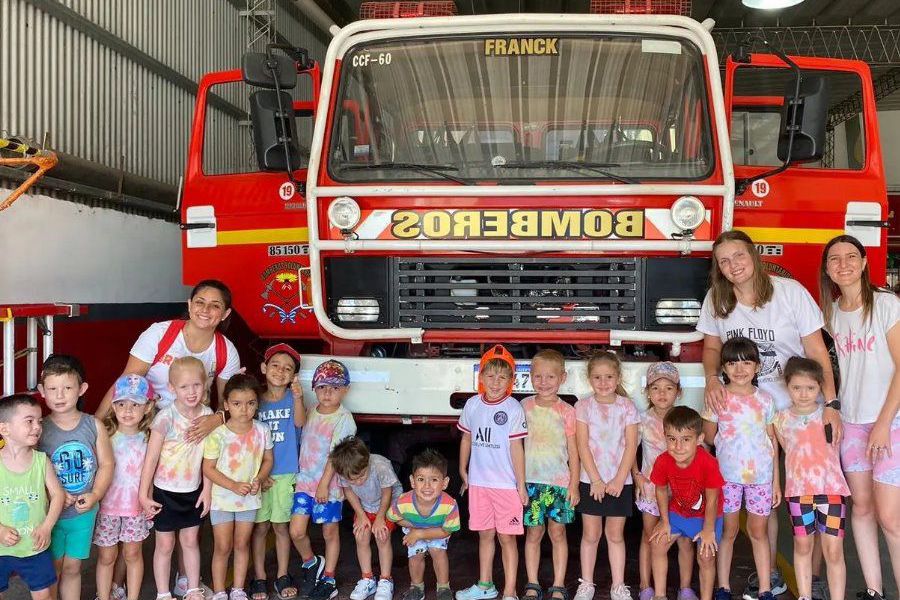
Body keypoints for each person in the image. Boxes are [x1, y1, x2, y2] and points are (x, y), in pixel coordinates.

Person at [697, 230, 839, 600]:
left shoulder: (789, 292)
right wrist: (713, 378)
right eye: (724, 261)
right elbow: (711, 346)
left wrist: (832, 405)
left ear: (755, 256)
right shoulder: (718, 298)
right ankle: (771, 573)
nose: (733, 266)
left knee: (810, 492)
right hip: (750, 421)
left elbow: (816, 351)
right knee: (769, 496)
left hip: (798, 410)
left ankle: (816, 575)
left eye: (739, 256)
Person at [820, 234, 900, 600]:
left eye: (851, 257)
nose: (844, 264)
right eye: (835, 259)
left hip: (890, 421)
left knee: (890, 518)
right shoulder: (832, 314)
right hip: (852, 422)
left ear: (865, 262)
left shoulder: (886, 305)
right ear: (827, 269)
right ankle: (873, 591)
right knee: (862, 508)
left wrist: (883, 422)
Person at [96, 280, 242, 444]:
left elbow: (227, 402)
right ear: (189, 305)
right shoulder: (160, 334)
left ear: (225, 314)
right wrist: (95, 428)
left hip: (190, 430)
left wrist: (216, 420)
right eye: (199, 302)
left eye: (215, 305)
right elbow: (125, 383)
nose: (205, 310)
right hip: (144, 422)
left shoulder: (226, 351)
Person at [701, 338, 780, 600]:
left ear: (757, 367)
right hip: (728, 478)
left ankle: (765, 588)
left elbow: (773, 442)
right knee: (729, 531)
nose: (740, 368)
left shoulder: (766, 400)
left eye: (747, 362)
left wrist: (776, 483)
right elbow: (709, 437)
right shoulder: (718, 398)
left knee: (759, 532)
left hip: (761, 478)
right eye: (732, 363)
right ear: (723, 368)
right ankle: (723, 586)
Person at [37, 355, 114, 600]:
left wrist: (95, 494)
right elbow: (32, 470)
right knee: (53, 569)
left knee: (73, 568)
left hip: (83, 513)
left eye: (67, 388)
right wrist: (54, 495)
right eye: (52, 389)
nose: (59, 396)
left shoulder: (93, 425)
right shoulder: (39, 429)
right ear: (42, 391)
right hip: (52, 515)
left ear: (82, 389)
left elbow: (107, 464)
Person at [773, 357, 850, 600]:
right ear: (787, 386)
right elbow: (786, 451)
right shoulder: (780, 419)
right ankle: (805, 595)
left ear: (820, 387)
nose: (804, 394)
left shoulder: (830, 417)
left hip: (832, 492)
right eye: (796, 388)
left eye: (810, 388)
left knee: (834, 551)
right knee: (802, 546)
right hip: (798, 493)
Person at [457, 345, 528, 600]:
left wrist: (520, 485)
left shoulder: (513, 408)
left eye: (502, 377)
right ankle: (485, 585)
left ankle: (510, 591)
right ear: (481, 377)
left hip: (505, 486)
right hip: (479, 485)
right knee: (485, 535)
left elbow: (516, 447)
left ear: (511, 380)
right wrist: (463, 471)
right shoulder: (472, 404)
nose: (495, 382)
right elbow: (466, 439)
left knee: (506, 538)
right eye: (490, 376)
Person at [139, 357, 214, 600]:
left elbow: (210, 456)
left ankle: (192, 588)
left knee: (191, 541)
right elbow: (150, 459)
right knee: (165, 545)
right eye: (183, 387)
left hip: (193, 489)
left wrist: (207, 489)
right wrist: (144, 493)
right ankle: (163, 593)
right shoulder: (165, 418)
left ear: (205, 385)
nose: (191, 392)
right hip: (165, 491)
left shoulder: (207, 415)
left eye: (196, 385)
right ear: (172, 388)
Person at [573, 351, 639, 600]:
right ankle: (587, 583)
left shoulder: (627, 407)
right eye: (597, 377)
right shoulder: (583, 406)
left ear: (618, 377)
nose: (603, 382)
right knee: (590, 535)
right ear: (589, 379)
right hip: (591, 481)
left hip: (620, 482)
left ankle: (618, 586)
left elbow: (631, 445)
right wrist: (597, 480)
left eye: (609, 376)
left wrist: (620, 479)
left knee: (615, 535)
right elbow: (582, 446)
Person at [203, 374, 274, 600]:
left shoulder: (262, 430)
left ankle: (238, 589)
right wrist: (233, 485)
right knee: (223, 546)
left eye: (251, 403)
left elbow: (268, 460)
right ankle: (220, 592)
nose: (244, 409)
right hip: (222, 498)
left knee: (242, 544)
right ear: (226, 405)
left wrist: (260, 479)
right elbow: (209, 468)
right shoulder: (218, 434)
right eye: (237, 404)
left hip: (249, 498)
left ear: (257, 404)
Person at [290, 360, 357, 600]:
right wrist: (298, 397)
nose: (327, 393)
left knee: (330, 532)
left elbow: (335, 454)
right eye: (322, 387)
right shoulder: (310, 411)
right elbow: (298, 424)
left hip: (329, 487)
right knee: (296, 531)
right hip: (304, 483)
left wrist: (324, 484)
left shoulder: (344, 418)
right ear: (314, 388)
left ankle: (329, 577)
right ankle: (311, 562)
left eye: (335, 387)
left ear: (345, 390)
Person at [633, 362, 696, 600]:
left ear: (678, 392)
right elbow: (630, 450)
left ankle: (685, 587)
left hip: (681, 491)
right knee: (650, 536)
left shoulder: (685, 418)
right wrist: (636, 474)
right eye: (656, 388)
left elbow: (698, 452)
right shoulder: (642, 419)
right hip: (651, 488)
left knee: (686, 540)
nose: (662, 393)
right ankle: (645, 585)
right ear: (647, 392)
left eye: (669, 388)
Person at [649, 406, 725, 600]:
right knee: (658, 543)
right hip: (678, 512)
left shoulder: (708, 462)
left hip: (707, 515)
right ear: (665, 437)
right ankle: (659, 595)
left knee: (706, 556)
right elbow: (660, 489)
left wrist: (708, 530)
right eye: (672, 439)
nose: (678, 446)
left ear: (699, 439)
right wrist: (664, 521)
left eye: (686, 439)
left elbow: (713, 499)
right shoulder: (663, 461)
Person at [521, 350, 579, 600]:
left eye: (550, 377)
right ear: (530, 377)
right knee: (534, 533)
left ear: (562, 378)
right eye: (538, 377)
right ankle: (532, 583)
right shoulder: (524, 406)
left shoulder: (567, 411)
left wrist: (574, 485)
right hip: (531, 482)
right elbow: (515, 446)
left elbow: (574, 452)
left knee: (557, 533)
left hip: (559, 483)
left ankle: (558, 584)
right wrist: (518, 483)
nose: (544, 382)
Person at [250, 343, 306, 600]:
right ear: (263, 368)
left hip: (285, 473)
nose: (280, 371)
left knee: (281, 527)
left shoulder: (293, 398)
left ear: (294, 376)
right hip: (259, 474)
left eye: (288, 369)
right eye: (275, 365)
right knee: (260, 528)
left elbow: (300, 423)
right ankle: (259, 577)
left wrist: (298, 397)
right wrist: (259, 474)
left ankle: (283, 574)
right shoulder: (254, 400)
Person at [93, 375, 156, 600]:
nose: (127, 411)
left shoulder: (150, 438)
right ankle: (104, 595)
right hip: (107, 507)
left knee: (132, 553)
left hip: (136, 507)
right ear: (113, 406)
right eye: (121, 404)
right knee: (107, 556)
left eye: (135, 404)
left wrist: (148, 499)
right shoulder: (105, 436)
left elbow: (152, 474)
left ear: (147, 407)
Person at [0, 394, 66, 600]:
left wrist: (47, 526)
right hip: (1, 547)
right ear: (4, 429)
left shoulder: (41, 461)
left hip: (35, 546)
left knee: (44, 594)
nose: (37, 426)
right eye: (29, 421)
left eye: (39, 421)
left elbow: (58, 495)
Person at [331, 436, 402, 600]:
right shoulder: (344, 469)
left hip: (388, 504)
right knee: (361, 536)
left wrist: (380, 518)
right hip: (365, 505)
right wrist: (361, 516)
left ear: (366, 461)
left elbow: (387, 492)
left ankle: (386, 580)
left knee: (382, 536)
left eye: (362, 475)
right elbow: (348, 491)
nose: (358, 481)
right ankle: (367, 578)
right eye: (353, 479)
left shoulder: (380, 465)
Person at [387, 448, 461, 600]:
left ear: (445, 483)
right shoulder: (403, 501)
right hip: (414, 530)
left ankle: (443, 587)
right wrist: (414, 526)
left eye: (434, 480)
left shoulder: (449, 504)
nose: (427, 486)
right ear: (412, 481)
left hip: (438, 531)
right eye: (421, 479)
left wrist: (420, 532)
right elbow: (393, 518)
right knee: (416, 555)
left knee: (437, 551)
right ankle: (416, 587)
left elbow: (447, 531)